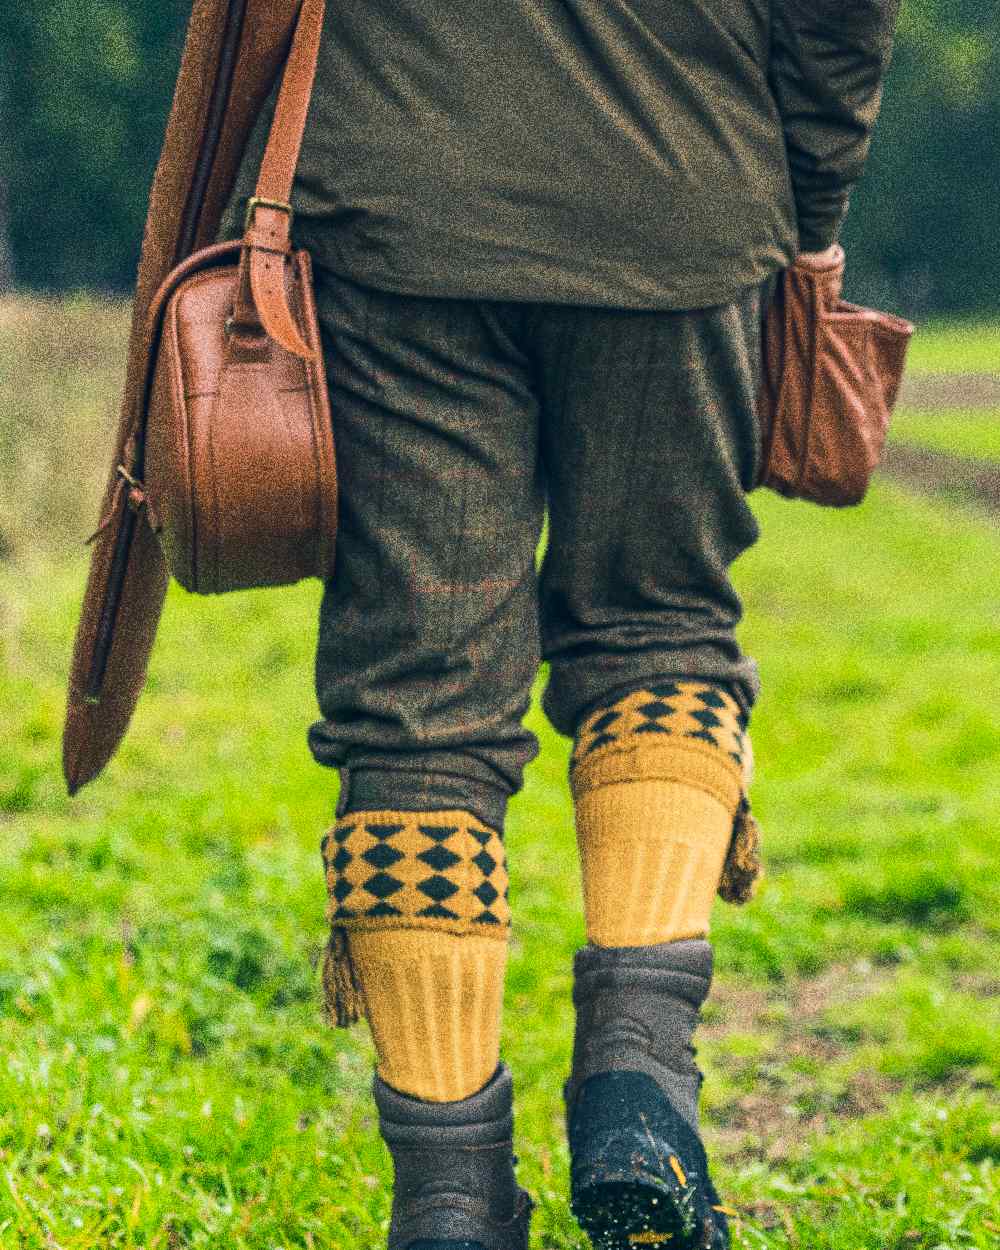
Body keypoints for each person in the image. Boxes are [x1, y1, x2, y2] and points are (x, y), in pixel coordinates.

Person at [217, 2, 901, 1247]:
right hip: (682, 190)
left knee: (417, 697)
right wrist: (802, 204)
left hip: (395, 201)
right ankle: (640, 1077)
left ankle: (445, 1199)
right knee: (656, 629)